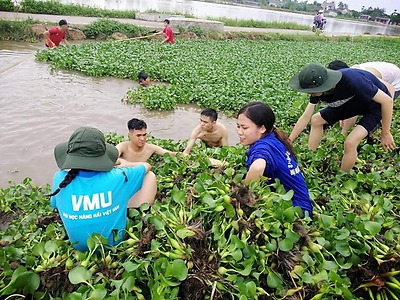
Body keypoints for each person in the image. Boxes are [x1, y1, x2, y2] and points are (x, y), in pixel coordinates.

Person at [49, 126, 157, 251]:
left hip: (78, 245)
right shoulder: (118, 176)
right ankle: (142, 210)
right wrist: (125, 164)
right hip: (114, 242)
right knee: (150, 176)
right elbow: (146, 166)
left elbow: (55, 205)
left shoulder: (59, 178)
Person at [288, 62, 395, 172]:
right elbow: (306, 116)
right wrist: (288, 141)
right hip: (354, 103)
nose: (309, 94)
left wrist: (385, 132)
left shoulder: (353, 80)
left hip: (375, 107)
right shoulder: (316, 91)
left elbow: (387, 101)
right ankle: (312, 160)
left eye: (311, 92)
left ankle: (342, 177)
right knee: (316, 120)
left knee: (350, 143)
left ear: (323, 85)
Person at [237, 101, 312, 217]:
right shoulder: (273, 139)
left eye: (244, 128)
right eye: (238, 126)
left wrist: (243, 194)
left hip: (295, 213)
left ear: (262, 128)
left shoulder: (263, 147)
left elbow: (257, 167)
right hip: (300, 205)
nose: (239, 132)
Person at [327, 60, 399, 136]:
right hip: (380, 75)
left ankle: (372, 133)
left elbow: (390, 89)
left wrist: (384, 111)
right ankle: (343, 134)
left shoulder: (364, 76)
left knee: (376, 111)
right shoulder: (348, 77)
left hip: (395, 83)